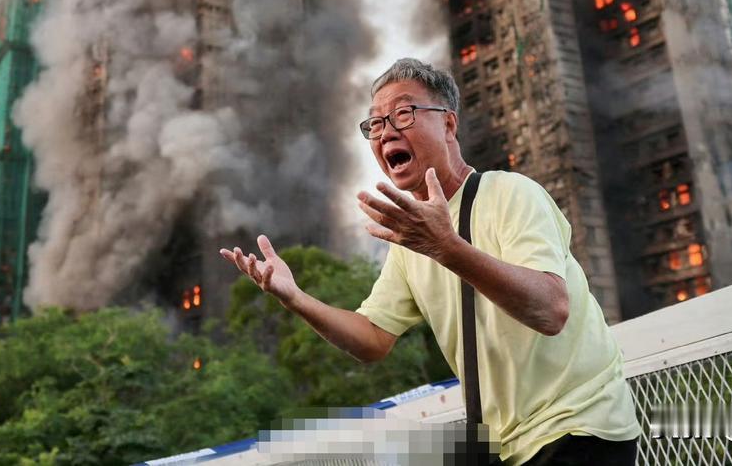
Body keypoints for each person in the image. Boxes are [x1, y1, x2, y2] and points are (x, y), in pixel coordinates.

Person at [221, 58, 640, 465]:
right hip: (505, 447)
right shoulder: (410, 241)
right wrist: (295, 298)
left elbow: (551, 310)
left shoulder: (511, 193)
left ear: (449, 123)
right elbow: (372, 339)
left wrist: (446, 247)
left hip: (578, 428)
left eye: (403, 113)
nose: (386, 131)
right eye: (376, 123)